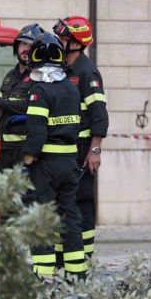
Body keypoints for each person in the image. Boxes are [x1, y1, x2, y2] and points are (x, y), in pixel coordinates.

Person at [22, 32, 87, 279]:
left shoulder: (39, 91)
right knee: (69, 219)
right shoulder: (71, 89)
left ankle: (44, 276)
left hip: (45, 167)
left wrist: (26, 164)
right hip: (69, 164)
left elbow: (36, 135)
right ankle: (77, 275)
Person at [54, 16, 108, 260]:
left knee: (82, 200)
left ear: (76, 43)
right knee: (64, 201)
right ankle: (63, 255)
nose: (59, 41)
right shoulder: (62, 68)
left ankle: (84, 257)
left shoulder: (87, 72)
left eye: (63, 38)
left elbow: (99, 113)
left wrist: (94, 149)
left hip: (82, 149)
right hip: (65, 148)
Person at [0, 23, 44, 169]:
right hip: (5, 147)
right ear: (16, 47)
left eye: (31, 45)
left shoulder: (39, 76)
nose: (26, 49)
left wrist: (1, 103)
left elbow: (28, 106)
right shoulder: (10, 76)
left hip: (25, 148)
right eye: (23, 44)